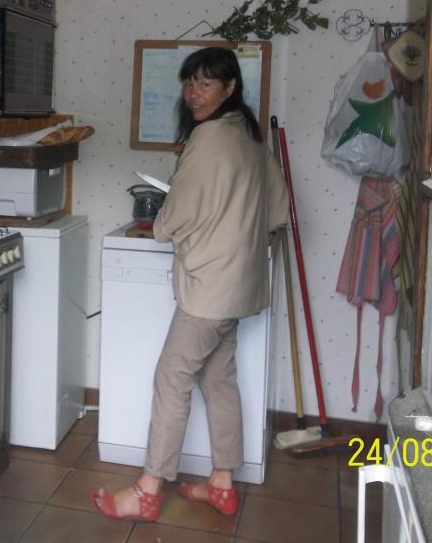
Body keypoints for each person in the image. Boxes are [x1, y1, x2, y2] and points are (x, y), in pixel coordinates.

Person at [92, 47, 288, 521]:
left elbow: (172, 219)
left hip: (209, 287)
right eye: (189, 83)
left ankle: (148, 490)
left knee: (171, 377)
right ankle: (221, 483)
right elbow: (277, 211)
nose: (193, 93)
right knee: (218, 378)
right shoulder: (249, 137)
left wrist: (166, 222)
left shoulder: (208, 138)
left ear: (229, 87)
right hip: (240, 283)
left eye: (205, 83)